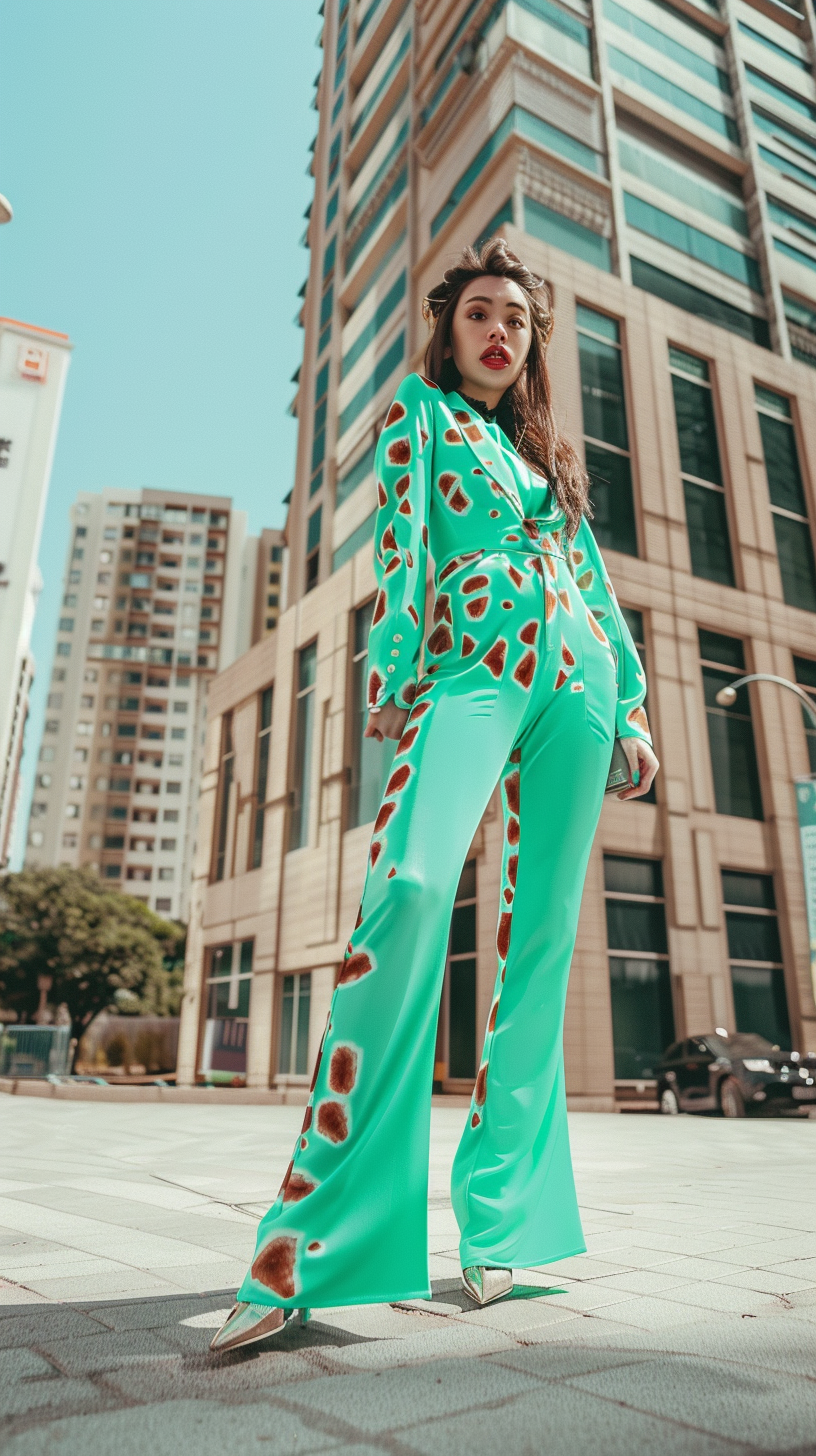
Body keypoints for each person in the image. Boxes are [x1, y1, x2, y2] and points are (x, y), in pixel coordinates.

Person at [210, 238, 658, 1353]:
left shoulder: (551, 456)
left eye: (516, 318)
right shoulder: (418, 417)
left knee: (543, 934)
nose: (499, 331)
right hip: (471, 663)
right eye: (480, 315)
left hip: (577, 678)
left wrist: (634, 704)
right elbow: (400, 550)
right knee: (407, 891)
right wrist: (390, 671)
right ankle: (302, 1246)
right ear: (450, 330)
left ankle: (499, 1224)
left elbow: (594, 583)